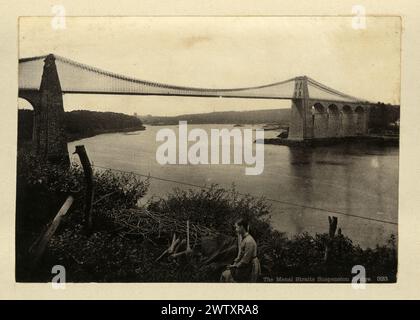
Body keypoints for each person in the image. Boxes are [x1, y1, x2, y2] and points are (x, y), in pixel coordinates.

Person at [220, 218, 260, 282]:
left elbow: (245, 260)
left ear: (241, 227)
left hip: (250, 266)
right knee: (225, 275)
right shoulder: (243, 238)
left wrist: (234, 266)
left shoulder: (249, 241)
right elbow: (240, 253)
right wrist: (235, 263)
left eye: (236, 227)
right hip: (244, 265)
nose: (235, 230)